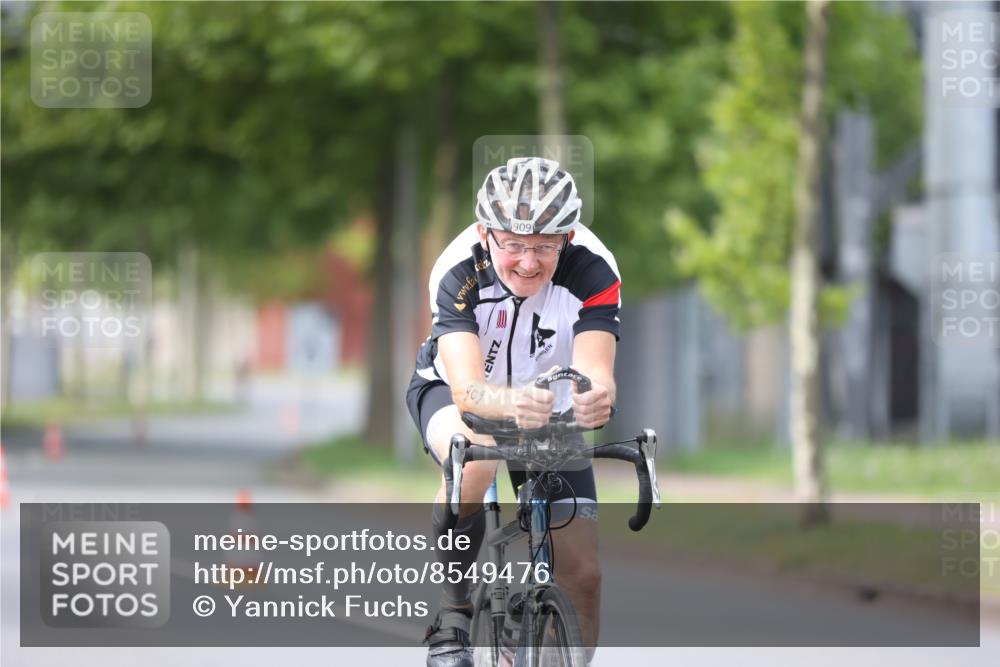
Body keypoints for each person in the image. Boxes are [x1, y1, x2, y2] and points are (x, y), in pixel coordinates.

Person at [406, 157, 621, 667]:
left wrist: (596, 396)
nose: (528, 262)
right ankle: (453, 614)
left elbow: (596, 369)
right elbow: (468, 390)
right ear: (485, 233)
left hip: (550, 405)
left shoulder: (594, 268)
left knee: (584, 575)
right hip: (458, 392)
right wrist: (510, 405)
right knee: (473, 462)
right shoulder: (458, 268)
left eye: (544, 246)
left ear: (566, 237)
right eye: (514, 245)